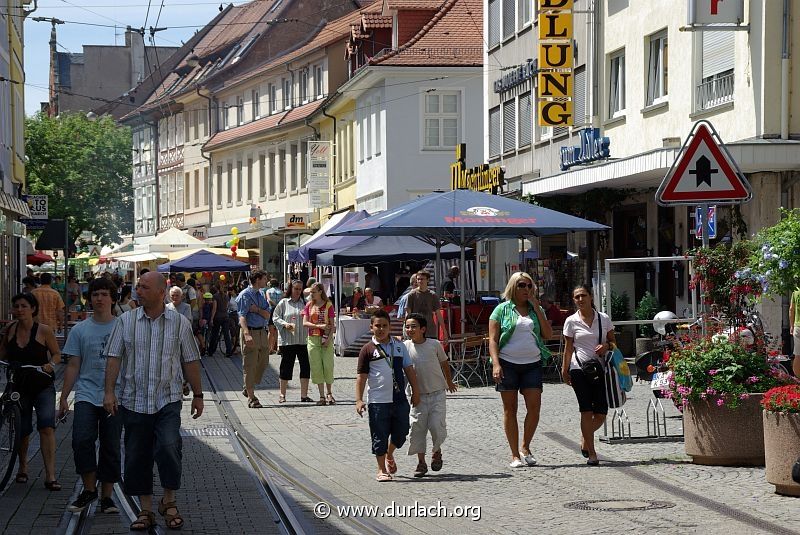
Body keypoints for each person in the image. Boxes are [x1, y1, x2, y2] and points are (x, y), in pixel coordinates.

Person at [103, 271, 203, 531]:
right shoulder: (125, 321)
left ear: (161, 292)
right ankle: (145, 509)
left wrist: (199, 394)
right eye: (138, 286)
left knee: (169, 446)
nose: (138, 290)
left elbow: (190, 359)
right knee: (137, 455)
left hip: (167, 399)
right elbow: (113, 357)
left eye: (145, 287)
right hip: (133, 399)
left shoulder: (179, 323)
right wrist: (109, 392)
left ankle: (168, 501)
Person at [58, 278, 122, 512]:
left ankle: (107, 496)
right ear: (89, 298)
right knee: (81, 440)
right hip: (86, 393)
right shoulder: (80, 329)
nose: (99, 298)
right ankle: (88, 490)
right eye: (95, 294)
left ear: (112, 298)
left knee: (111, 446)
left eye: (104, 294)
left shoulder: (122, 326)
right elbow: (73, 364)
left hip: (116, 395)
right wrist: (64, 397)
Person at [488, 272, 553, 468]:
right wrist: (496, 363)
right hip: (508, 363)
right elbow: (492, 339)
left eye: (529, 286)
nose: (526, 289)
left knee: (534, 408)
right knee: (510, 410)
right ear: (513, 287)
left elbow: (548, 335)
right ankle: (514, 454)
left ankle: (526, 446)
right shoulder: (501, 310)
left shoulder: (536, 309)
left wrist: (538, 309)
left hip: (532, 363)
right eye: (522, 285)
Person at [0, 293, 62, 490]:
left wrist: (50, 364)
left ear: (33, 309)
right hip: (18, 385)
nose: (19, 310)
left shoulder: (43, 331)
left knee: (46, 427)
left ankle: (50, 474)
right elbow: (2, 353)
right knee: (22, 430)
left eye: (23, 306)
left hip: (42, 384)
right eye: (16, 306)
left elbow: (57, 354)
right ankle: (22, 467)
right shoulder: (9, 330)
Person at [355, 309, 420, 482]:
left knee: (402, 432)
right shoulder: (367, 350)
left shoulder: (399, 347)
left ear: (390, 327)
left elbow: (409, 370)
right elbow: (361, 377)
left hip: (399, 399)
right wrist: (359, 399)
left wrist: (416, 391)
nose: (381, 329)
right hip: (378, 401)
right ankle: (381, 469)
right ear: (371, 327)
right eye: (378, 326)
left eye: (384, 326)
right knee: (379, 435)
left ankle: (390, 453)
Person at [561, 284, 616, 467]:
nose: (580, 299)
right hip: (579, 368)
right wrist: (564, 369)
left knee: (601, 413)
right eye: (576, 297)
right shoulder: (571, 321)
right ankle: (592, 453)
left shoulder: (603, 319)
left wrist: (606, 346)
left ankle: (585, 437)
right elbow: (568, 348)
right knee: (586, 410)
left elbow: (614, 343)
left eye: (583, 295)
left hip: (599, 369)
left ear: (591, 297)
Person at [403, 313, 457, 477]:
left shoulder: (434, 344)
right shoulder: (405, 346)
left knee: (435, 425)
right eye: (407, 326)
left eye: (413, 326)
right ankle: (421, 463)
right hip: (417, 396)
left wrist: (449, 381)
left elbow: (444, 362)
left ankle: (436, 451)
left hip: (437, 393)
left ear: (423, 329)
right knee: (417, 428)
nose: (410, 329)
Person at [272, 280, 311, 403]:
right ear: (291, 289)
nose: (298, 291)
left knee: (305, 367)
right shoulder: (283, 303)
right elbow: (275, 317)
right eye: (296, 289)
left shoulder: (305, 303)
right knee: (286, 368)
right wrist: (284, 324)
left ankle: (304, 395)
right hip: (288, 341)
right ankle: (282, 395)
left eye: (300, 289)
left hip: (303, 340)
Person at [237, 270, 271, 408]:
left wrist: (257, 310)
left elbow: (267, 314)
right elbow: (242, 316)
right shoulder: (244, 295)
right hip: (250, 331)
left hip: (262, 332)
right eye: (264, 278)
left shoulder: (261, 294)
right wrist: (246, 334)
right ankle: (251, 397)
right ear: (257, 279)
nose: (266, 281)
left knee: (264, 361)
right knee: (250, 364)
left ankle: (248, 386)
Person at [302, 283, 336, 405]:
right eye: (310, 292)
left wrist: (328, 339)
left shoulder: (328, 305)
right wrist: (318, 326)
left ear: (320, 292)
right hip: (312, 338)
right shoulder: (309, 305)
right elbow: (304, 323)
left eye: (313, 292)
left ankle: (329, 393)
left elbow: (332, 325)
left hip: (326, 338)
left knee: (327, 366)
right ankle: (321, 396)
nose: (311, 294)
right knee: (316, 367)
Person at [405, 271, 441, 339]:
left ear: (427, 280)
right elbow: (408, 314)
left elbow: (438, 314)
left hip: (430, 331)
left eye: (422, 279)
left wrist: (444, 331)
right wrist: (407, 328)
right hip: (416, 331)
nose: (420, 281)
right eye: (418, 279)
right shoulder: (411, 295)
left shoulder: (433, 295)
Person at [208, 285, 233, 357]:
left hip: (217, 317)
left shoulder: (215, 296)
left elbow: (214, 308)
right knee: (226, 335)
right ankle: (229, 351)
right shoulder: (227, 296)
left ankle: (211, 351)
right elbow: (227, 306)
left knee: (214, 334)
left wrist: (212, 319)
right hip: (225, 316)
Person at [266, 279, 283, 354]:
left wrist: (274, 306)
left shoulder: (268, 291)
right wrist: (278, 307)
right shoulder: (281, 292)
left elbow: (269, 300)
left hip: (271, 310)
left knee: (270, 331)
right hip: (280, 311)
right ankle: (278, 348)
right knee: (278, 330)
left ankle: (269, 348)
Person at [790, 287, 800, 378]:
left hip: (798, 327)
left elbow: (791, 309)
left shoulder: (796, 291)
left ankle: (798, 379)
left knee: (797, 355)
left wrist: (792, 326)